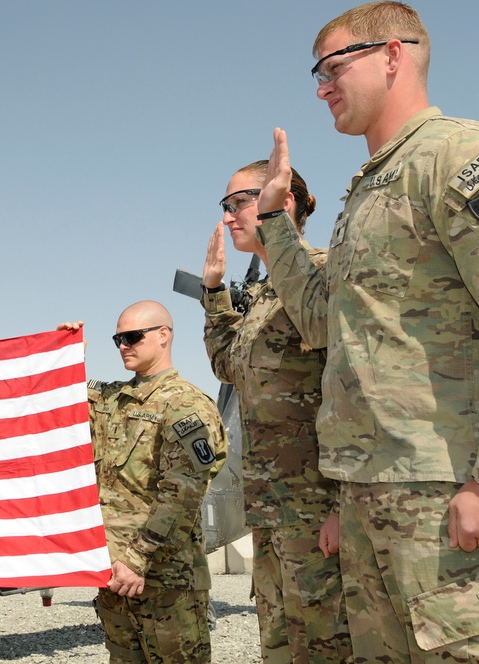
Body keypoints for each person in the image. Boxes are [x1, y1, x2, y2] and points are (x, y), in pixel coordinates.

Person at [255, 2, 479, 660]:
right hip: (368, 497)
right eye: (315, 73)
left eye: (333, 66)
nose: (322, 85)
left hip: (442, 495)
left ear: (393, 55)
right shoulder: (366, 192)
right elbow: (325, 322)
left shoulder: (455, 156)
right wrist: (275, 226)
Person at [201, 161, 351, 663]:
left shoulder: (324, 275)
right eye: (224, 207)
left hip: (319, 513)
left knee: (329, 648)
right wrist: (215, 294)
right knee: (282, 650)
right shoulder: (264, 298)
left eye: (237, 202)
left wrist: (340, 505)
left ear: (282, 200)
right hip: (270, 515)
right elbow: (228, 367)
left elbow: (355, 389)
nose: (228, 218)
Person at [60, 301, 227, 663]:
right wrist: (65, 357)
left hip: (165, 581)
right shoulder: (112, 400)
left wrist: (137, 560)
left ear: (163, 336)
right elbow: (59, 404)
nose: (123, 346)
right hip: (114, 579)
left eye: (133, 337)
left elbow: (182, 496)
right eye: (118, 338)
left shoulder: (185, 405)